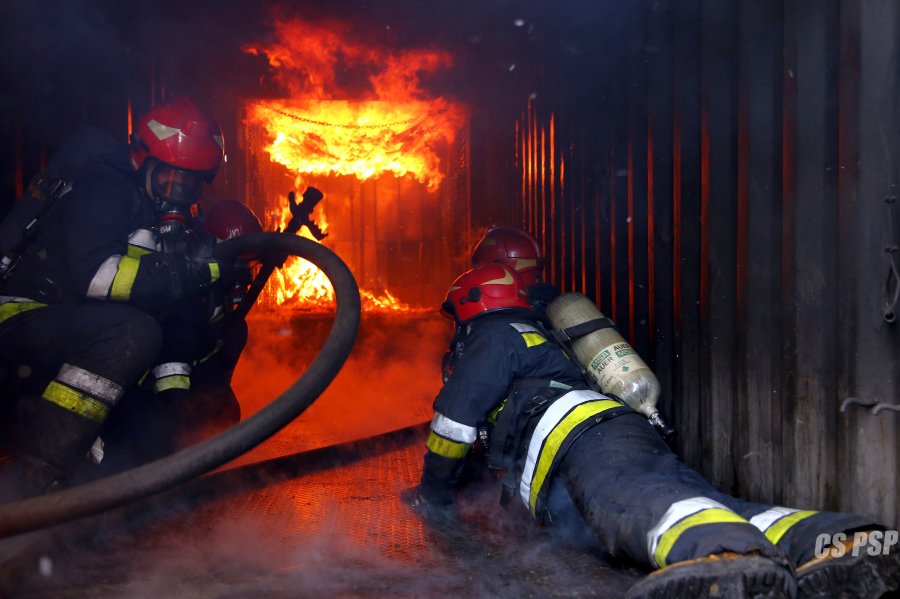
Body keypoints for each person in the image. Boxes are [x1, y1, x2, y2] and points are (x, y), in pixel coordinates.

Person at [402, 263, 899, 599]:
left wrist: (434, 495)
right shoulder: (535, 337)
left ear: (469, 308)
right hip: (612, 434)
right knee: (705, 504)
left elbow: (453, 425)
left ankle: (723, 562)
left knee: (633, 502)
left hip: (582, 441)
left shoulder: (492, 335)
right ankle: (841, 539)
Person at [0, 96, 240, 495]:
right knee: (135, 332)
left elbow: (169, 303)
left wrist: (180, 408)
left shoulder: (159, 212)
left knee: (145, 443)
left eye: (191, 184)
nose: (177, 194)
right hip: (25, 313)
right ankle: (42, 473)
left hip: (82, 326)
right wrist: (183, 273)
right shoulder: (104, 189)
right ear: (139, 160)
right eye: (168, 179)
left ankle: (107, 476)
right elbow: (98, 278)